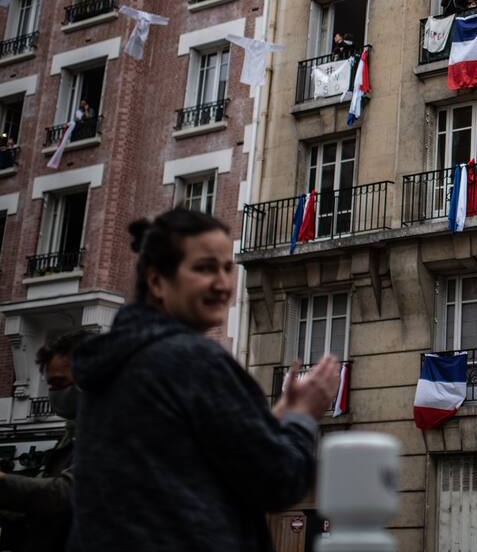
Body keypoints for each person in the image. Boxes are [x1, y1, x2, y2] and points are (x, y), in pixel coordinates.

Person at [68, 209, 341, 552]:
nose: (223, 284)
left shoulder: (119, 358)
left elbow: (203, 461)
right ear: (157, 281)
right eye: (204, 268)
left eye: (227, 268)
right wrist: (303, 416)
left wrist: (282, 413)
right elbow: (277, 481)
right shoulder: (191, 359)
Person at [0, 331, 91, 552]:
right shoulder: (73, 435)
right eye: (50, 385)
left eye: (60, 382)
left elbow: (68, 494)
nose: (53, 393)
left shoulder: (113, 431)